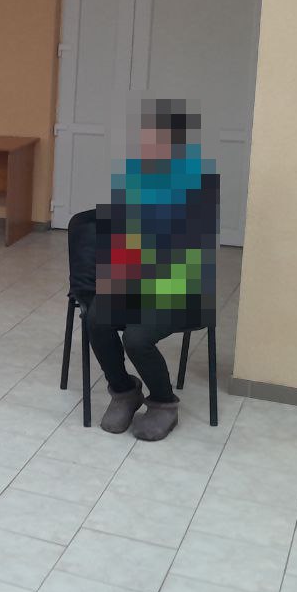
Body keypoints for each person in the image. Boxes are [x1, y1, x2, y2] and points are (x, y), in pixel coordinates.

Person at [88, 98, 218, 441]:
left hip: (181, 289)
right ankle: (124, 391)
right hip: (137, 281)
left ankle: (163, 402)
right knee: (97, 319)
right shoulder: (137, 180)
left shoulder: (199, 185)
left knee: (137, 337)